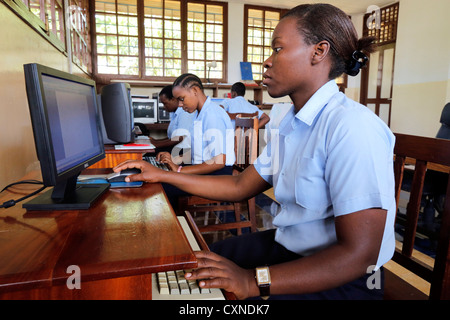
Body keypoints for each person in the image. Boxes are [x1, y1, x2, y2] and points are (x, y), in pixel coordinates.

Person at [114, 3, 396, 300]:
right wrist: (162, 175)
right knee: (192, 261)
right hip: (288, 248)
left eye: (278, 49)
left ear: (318, 51)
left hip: (341, 278)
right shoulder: (292, 124)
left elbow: (359, 255)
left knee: (210, 297)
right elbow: (239, 184)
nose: (266, 61)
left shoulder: (351, 127)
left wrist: (251, 281)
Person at [156, 73, 235, 208]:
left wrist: (180, 171)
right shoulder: (200, 114)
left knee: (163, 186)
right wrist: (174, 159)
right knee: (164, 177)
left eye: (182, 99)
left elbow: (219, 162)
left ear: (194, 91)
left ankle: (176, 226)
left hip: (218, 174)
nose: (180, 105)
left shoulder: (212, 115)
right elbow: (200, 152)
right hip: (206, 169)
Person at [149, 85, 197, 157]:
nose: (164, 107)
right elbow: (172, 137)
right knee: (150, 152)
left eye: (165, 103)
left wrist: (156, 144)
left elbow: (179, 138)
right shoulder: (175, 113)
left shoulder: (184, 112)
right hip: (175, 147)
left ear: (174, 100)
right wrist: (155, 141)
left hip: (182, 151)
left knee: (150, 153)